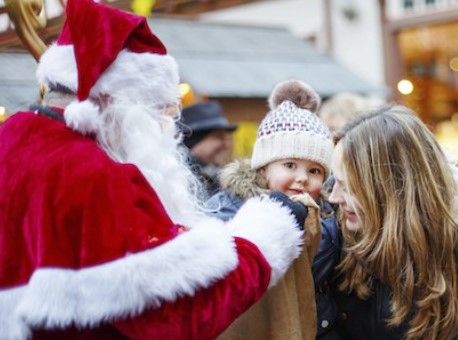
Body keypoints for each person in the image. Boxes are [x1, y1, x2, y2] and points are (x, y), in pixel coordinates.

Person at [0, 0, 307, 338]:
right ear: (113, 100)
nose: (162, 129)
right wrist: (267, 232)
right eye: (153, 112)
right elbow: (177, 315)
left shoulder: (11, 141)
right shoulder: (95, 175)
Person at [327, 106, 458, 340]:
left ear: (388, 188)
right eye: (335, 182)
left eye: (348, 187)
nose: (333, 197)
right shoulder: (336, 226)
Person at [207, 80, 340, 340]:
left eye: (314, 171)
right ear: (263, 168)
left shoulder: (325, 216)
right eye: (290, 165)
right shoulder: (232, 209)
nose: (302, 178)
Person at [179, 101, 237, 196]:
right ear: (194, 140)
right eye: (219, 137)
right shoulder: (178, 181)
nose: (227, 145)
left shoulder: (214, 179)